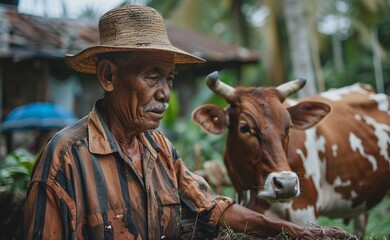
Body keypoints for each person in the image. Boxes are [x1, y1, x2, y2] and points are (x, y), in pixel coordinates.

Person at [16, 5, 351, 239]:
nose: (165, 93)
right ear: (108, 76)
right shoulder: (65, 158)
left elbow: (213, 208)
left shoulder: (159, 148)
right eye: (153, 76)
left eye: (170, 78)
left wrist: (300, 232)